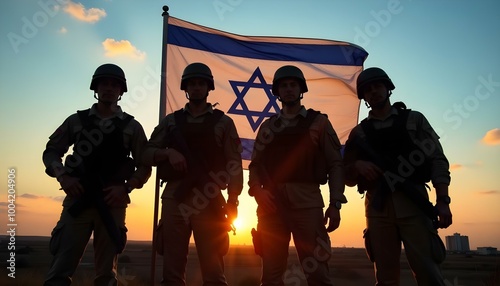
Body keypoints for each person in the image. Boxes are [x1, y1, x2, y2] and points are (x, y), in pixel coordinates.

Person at [42, 63, 152, 285]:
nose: (109, 89)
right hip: (78, 200)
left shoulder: (132, 126)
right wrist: (64, 176)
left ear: (121, 91)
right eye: (104, 84)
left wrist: (126, 187)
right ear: (96, 87)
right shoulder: (77, 121)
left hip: (112, 204)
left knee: (106, 276)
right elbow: (51, 152)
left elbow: (145, 165)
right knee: (60, 271)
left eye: (114, 85)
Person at [343, 67, 453, 285]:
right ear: (363, 96)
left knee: (428, 273)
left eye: (378, 86)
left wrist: (443, 200)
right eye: (368, 90)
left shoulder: (414, 120)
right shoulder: (359, 133)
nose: (374, 92)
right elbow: (345, 174)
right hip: (378, 208)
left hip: (413, 203)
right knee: (385, 277)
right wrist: (357, 165)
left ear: (388, 88)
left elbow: (437, 160)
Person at [142, 62, 243, 285]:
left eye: (201, 84)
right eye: (192, 84)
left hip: (209, 199)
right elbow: (146, 152)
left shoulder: (223, 122)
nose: (197, 88)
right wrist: (168, 153)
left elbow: (234, 164)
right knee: (171, 273)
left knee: (214, 272)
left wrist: (233, 199)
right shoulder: (171, 121)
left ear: (209, 88)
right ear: (185, 88)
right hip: (175, 198)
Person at [248, 65, 346, 285]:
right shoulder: (268, 127)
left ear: (301, 89)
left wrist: (335, 203)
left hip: (307, 204)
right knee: (271, 276)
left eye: (293, 85)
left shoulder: (319, 123)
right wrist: (257, 192)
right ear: (277, 91)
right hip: (271, 206)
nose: (289, 89)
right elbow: (255, 165)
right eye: (284, 85)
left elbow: (335, 165)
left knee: (317, 273)